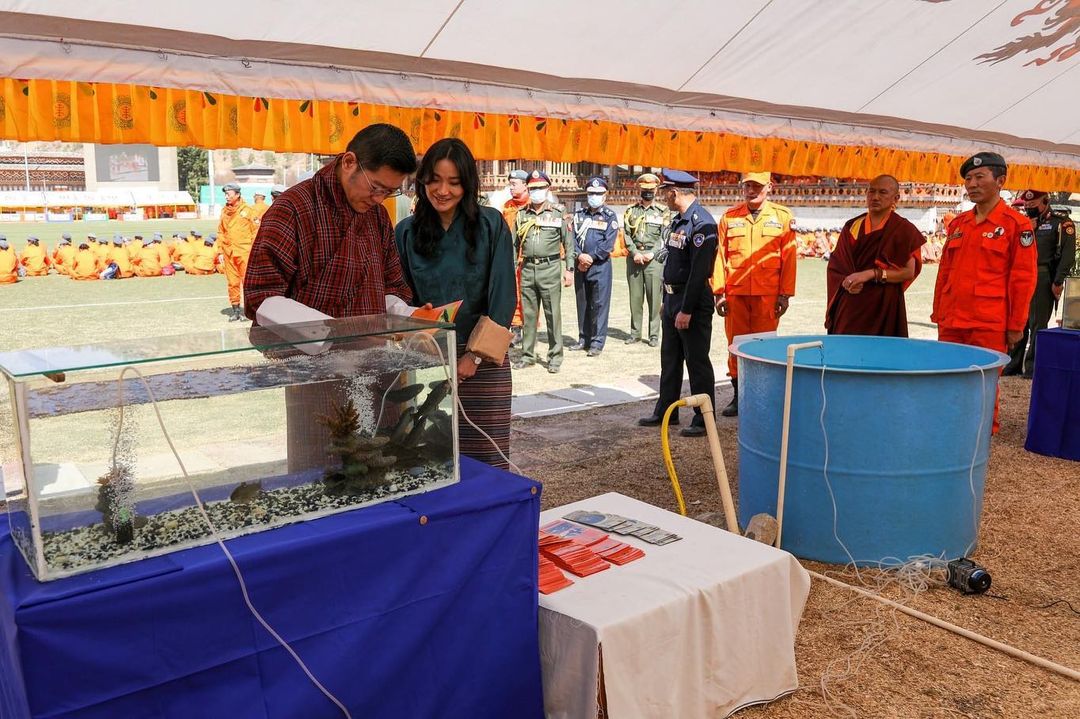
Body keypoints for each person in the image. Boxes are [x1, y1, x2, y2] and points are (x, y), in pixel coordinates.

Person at [395, 138, 516, 469]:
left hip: (484, 359)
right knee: (426, 455)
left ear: (468, 184)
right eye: (434, 180)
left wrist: (473, 356)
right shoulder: (405, 232)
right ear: (422, 180)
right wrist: (418, 337)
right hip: (425, 356)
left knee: (486, 456)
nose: (442, 190)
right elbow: (399, 297)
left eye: (454, 182)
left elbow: (503, 295)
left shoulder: (491, 225)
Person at [244, 123, 417, 319]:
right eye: (375, 187)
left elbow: (392, 285)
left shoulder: (378, 216)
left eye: (389, 192)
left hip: (370, 337)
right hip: (301, 340)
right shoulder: (292, 207)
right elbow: (261, 296)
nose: (379, 199)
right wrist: (325, 330)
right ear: (349, 162)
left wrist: (408, 312)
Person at [932, 152, 1037, 434]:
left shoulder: (1016, 225)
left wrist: (1016, 325)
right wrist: (938, 311)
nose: (972, 184)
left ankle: (980, 438)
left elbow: (1023, 279)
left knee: (983, 382)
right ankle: (949, 432)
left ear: (1000, 181)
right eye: (968, 178)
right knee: (948, 377)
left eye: (980, 177)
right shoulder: (959, 224)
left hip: (989, 321)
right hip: (953, 320)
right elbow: (945, 272)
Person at [638, 170, 718, 437]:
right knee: (670, 359)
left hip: (691, 302)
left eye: (665, 193)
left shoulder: (702, 223)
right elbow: (672, 263)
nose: (663, 198)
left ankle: (703, 419)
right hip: (673, 299)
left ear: (674, 193)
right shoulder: (677, 222)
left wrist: (686, 309)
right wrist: (667, 300)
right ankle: (666, 411)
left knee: (697, 362)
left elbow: (698, 272)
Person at [711, 172, 797, 417]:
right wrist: (719, 293)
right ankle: (739, 396)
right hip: (735, 295)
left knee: (765, 345)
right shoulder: (729, 217)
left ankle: (764, 396)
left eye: (757, 186)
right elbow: (720, 257)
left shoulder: (783, 217)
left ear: (769, 187)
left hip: (767, 295)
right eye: (747, 185)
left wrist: (785, 294)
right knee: (735, 345)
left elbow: (789, 258)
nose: (751, 190)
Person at [825, 175, 926, 336]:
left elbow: (908, 272)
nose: (875, 197)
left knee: (882, 349)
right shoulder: (852, 226)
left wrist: (872, 274)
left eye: (882, 192)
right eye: (871, 191)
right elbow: (836, 266)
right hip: (851, 300)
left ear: (896, 198)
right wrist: (846, 281)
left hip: (884, 303)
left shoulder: (903, 229)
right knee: (846, 346)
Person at [1003, 189, 1076, 377]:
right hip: (1021, 276)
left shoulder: (1061, 223)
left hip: (1043, 276)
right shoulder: (1024, 223)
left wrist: (1058, 281)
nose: (1029, 208)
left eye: (1033, 205)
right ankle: (1012, 364)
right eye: (1027, 205)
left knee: (1037, 323)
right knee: (1018, 320)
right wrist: (1028, 227)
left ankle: (1032, 367)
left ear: (1045, 201)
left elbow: (1067, 255)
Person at [512, 170, 573, 373]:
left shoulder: (558, 212)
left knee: (552, 314)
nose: (536, 192)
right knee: (528, 315)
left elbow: (568, 243)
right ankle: (528, 355)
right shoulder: (522, 214)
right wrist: (512, 267)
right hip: (528, 268)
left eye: (540, 188)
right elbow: (514, 244)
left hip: (550, 268)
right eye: (533, 188)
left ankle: (555, 357)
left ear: (548, 189)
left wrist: (569, 269)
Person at [570, 177, 618, 356]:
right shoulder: (579, 215)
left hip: (600, 266)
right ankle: (584, 338)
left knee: (599, 305)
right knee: (582, 303)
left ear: (605, 195)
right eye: (591, 193)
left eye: (598, 194)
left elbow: (608, 243)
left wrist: (590, 257)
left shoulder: (610, 216)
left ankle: (597, 342)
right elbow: (572, 239)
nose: (594, 197)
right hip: (581, 266)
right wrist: (579, 256)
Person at [622, 172, 668, 346]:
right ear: (639, 190)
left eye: (651, 189)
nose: (647, 192)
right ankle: (635, 333)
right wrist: (635, 253)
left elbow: (664, 235)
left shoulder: (663, 211)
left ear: (656, 190)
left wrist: (652, 253)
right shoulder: (630, 210)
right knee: (635, 298)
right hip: (634, 258)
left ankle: (654, 335)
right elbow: (626, 234)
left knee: (654, 298)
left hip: (653, 260)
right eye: (644, 189)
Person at [218, 182, 258, 321]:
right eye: (225, 194)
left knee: (247, 282)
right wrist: (220, 251)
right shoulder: (224, 211)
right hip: (229, 253)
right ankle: (235, 310)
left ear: (237, 194)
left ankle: (249, 311)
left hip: (244, 252)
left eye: (228, 194)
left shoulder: (248, 211)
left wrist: (254, 250)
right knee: (232, 282)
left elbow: (255, 231)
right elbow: (221, 232)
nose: (226, 197)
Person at [501, 169, 530, 347]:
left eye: (514, 184)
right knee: (512, 293)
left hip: (527, 258)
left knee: (528, 295)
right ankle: (515, 328)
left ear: (525, 185)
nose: (511, 188)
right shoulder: (507, 206)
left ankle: (529, 328)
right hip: (510, 257)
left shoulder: (533, 206)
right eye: (509, 184)